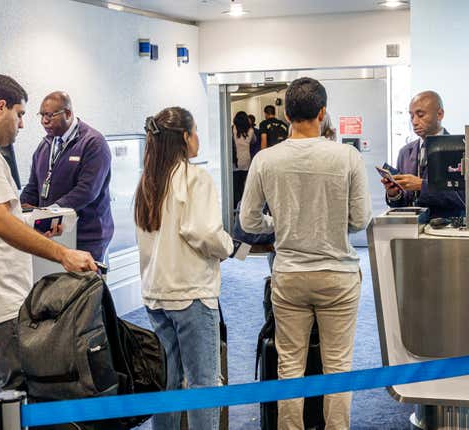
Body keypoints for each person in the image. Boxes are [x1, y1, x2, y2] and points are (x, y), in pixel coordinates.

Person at [0, 74, 97, 423]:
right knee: (22, 394)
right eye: (20, 113)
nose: (24, 124)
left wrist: (39, 225)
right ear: (0, 108)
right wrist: (62, 254)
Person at [240, 77, 371, 429]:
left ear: (286, 114)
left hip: (290, 275)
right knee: (338, 366)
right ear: (322, 112)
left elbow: (249, 220)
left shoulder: (266, 159)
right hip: (338, 276)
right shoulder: (347, 156)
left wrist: (279, 221)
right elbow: (360, 219)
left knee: (290, 367)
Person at [134, 107, 233, 430]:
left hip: (156, 295)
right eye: (195, 132)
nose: (198, 139)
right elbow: (204, 232)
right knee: (204, 385)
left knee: (169, 382)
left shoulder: (147, 181)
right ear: (185, 138)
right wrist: (228, 246)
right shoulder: (194, 177)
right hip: (191, 294)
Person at [20, 91, 114, 262]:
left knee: (85, 288)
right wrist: (17, 212)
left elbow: (87, 191)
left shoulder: (93, 143)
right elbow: (33, 187)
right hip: (54, 233)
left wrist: (50, 213)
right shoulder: (46, 145)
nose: (44, 121)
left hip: (87, 237)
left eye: (49, 115)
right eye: (41, 115)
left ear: (68, 114)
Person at [383, 90, 465, 218]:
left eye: (420, 115)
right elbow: (402, 203)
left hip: (447, 230)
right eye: (411, 116)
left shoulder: (460, 149)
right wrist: (394, 194)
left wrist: (422, 185)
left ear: (439, 114)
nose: (414, 122)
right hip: (412, 230)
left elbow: (463, 199)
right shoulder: (405, 152)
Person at [231, 111, 255, 209]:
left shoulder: (232, 129)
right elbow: (254, 141)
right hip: (246, 160)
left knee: (235, 185)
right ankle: (244, 205)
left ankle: (236, 206)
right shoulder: (251, 130)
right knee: (244, 185)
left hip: (235, 161)